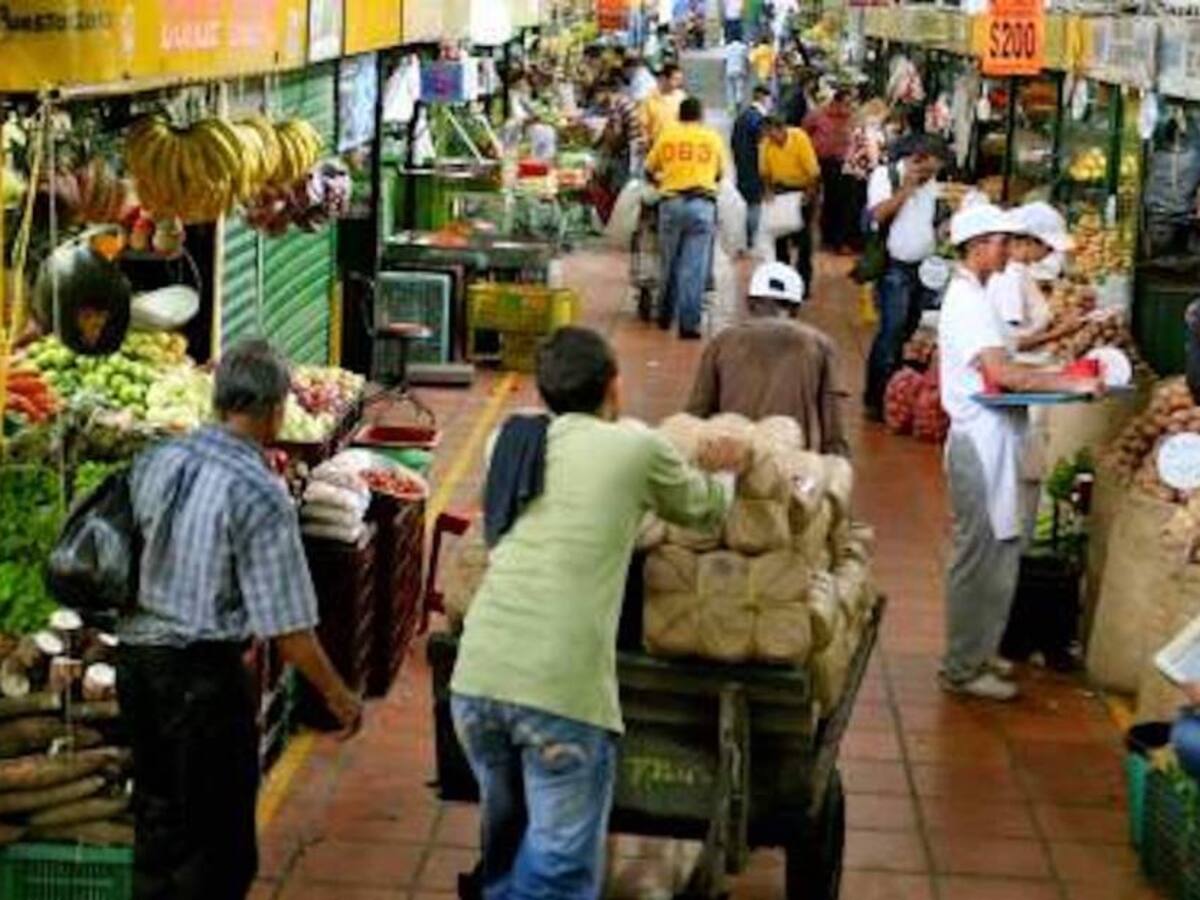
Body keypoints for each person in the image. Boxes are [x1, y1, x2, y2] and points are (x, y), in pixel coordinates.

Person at [451, 327, 735, 900]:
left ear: (544, 391)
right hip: (560, 692)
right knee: (555, 873)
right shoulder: (632, 446)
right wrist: (728, 470)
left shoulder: (513, 438)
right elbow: (704, 510)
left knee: (507, 848)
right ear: (613, 386)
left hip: (476, 682)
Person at [118, 339, 363, 900]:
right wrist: (339, 695)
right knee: (217, 849)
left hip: (136, 667)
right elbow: (288, 626)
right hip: (200, 681)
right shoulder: (260, 491)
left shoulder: (157, 459)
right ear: (276, 410)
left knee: (158, 827)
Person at [938, 204, 1103, 701]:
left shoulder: (979, 295)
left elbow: (1008, 356)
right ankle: (962, 666)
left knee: (999, 552)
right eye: (1001, 242)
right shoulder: (967, 302)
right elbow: (1002, 372)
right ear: (976, 246)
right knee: (979, 556)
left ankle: (980, 650)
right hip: (979, 442)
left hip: (995, 438)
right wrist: (1067, 382)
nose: (1009, 251)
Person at [688, 261, 849, 455]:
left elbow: (697, 412)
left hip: (733, 460)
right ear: (796, 307)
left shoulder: (722, 342)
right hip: (788, 463)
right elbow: (834, 425)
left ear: (749, 302)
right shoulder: (819, 344)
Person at [862, 133, 946, 421]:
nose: (930, 176)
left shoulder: (931, 183)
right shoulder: (885, 177)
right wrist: (907, 189)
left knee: (908, 329)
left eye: (934, 171)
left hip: (923, 268)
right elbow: (877, 216)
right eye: (927, 169)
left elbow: (928, 220)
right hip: (894, 267)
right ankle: (876, 397)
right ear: (914, 159)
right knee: (891, 331)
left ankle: (896, 391)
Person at [646, 96, 726, 339]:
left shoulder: (667, 136)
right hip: (702, 204)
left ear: (679, 115)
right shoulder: (712, 138)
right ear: (701, 116)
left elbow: (649, 169)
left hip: (671, 203)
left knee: (668, 260)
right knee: (694, 266)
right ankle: (688, 324)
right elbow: (720, 174)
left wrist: (662, 182)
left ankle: (664, 315)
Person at [759, 116, 820, 296]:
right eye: (766, 134)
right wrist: (768, 191)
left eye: (772, 133)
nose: (770, 138)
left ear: (782, 128)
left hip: (802, 191)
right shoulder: (766, 145)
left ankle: (803, 285)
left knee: (804, 243)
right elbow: (765, 174)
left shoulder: (799, 138)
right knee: (779, 241)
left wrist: (809, 196)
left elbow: (814, 174)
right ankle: (783, 283)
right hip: (780, 194)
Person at [804, 89, 856, 252]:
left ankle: (835, 239)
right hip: (821, 161)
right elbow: (804, 130)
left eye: (850, 103)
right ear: (836, 102)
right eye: (846, 103)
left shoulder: (850, 118)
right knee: (823, 199)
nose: (848, 107)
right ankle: (824, 237)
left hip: (841, 163)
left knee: (837, 200)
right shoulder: (819, 115)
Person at [732, 85, 773, 250]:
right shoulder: (758, 119)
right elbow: (764, 145)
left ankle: (745, 238)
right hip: (755, 168)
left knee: (747, 204)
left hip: (743, 166)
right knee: (754, 204)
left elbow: (733, 142)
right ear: (763, 98)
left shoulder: (742, 116)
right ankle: (750, 240)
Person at [641, 62, 687, 145]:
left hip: (677, 144)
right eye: (675, 79)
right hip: (656, 144)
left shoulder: (682, 98)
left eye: (680, 79)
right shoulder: (649, 99)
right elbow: (643, 125)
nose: (679, 83)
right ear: (664, 78)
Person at [724, 36, 749, 110]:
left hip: (729, 70)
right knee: (739, 87)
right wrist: (747, 70)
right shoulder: (743, 47)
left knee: (730, 88)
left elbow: (725, 60)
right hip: (740, 69)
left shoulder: (728, 47)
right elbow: (746, 59)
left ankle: (731, 105)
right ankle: (739, 101)